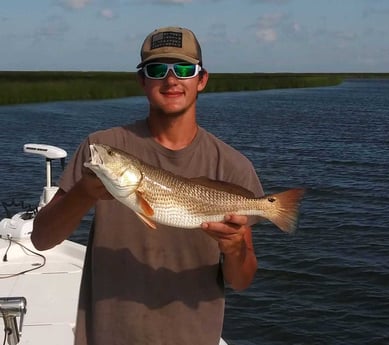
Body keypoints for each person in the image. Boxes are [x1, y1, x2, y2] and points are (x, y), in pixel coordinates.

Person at [31, 26, 264, 345]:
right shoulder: (100, 147)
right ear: (142, 80)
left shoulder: (234, 167)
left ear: (202, 79)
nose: (171, 80)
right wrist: (84, 193)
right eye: (157, 69)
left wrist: (235, 246)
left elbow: (242, 279)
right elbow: (42, 239)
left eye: (184, 69)